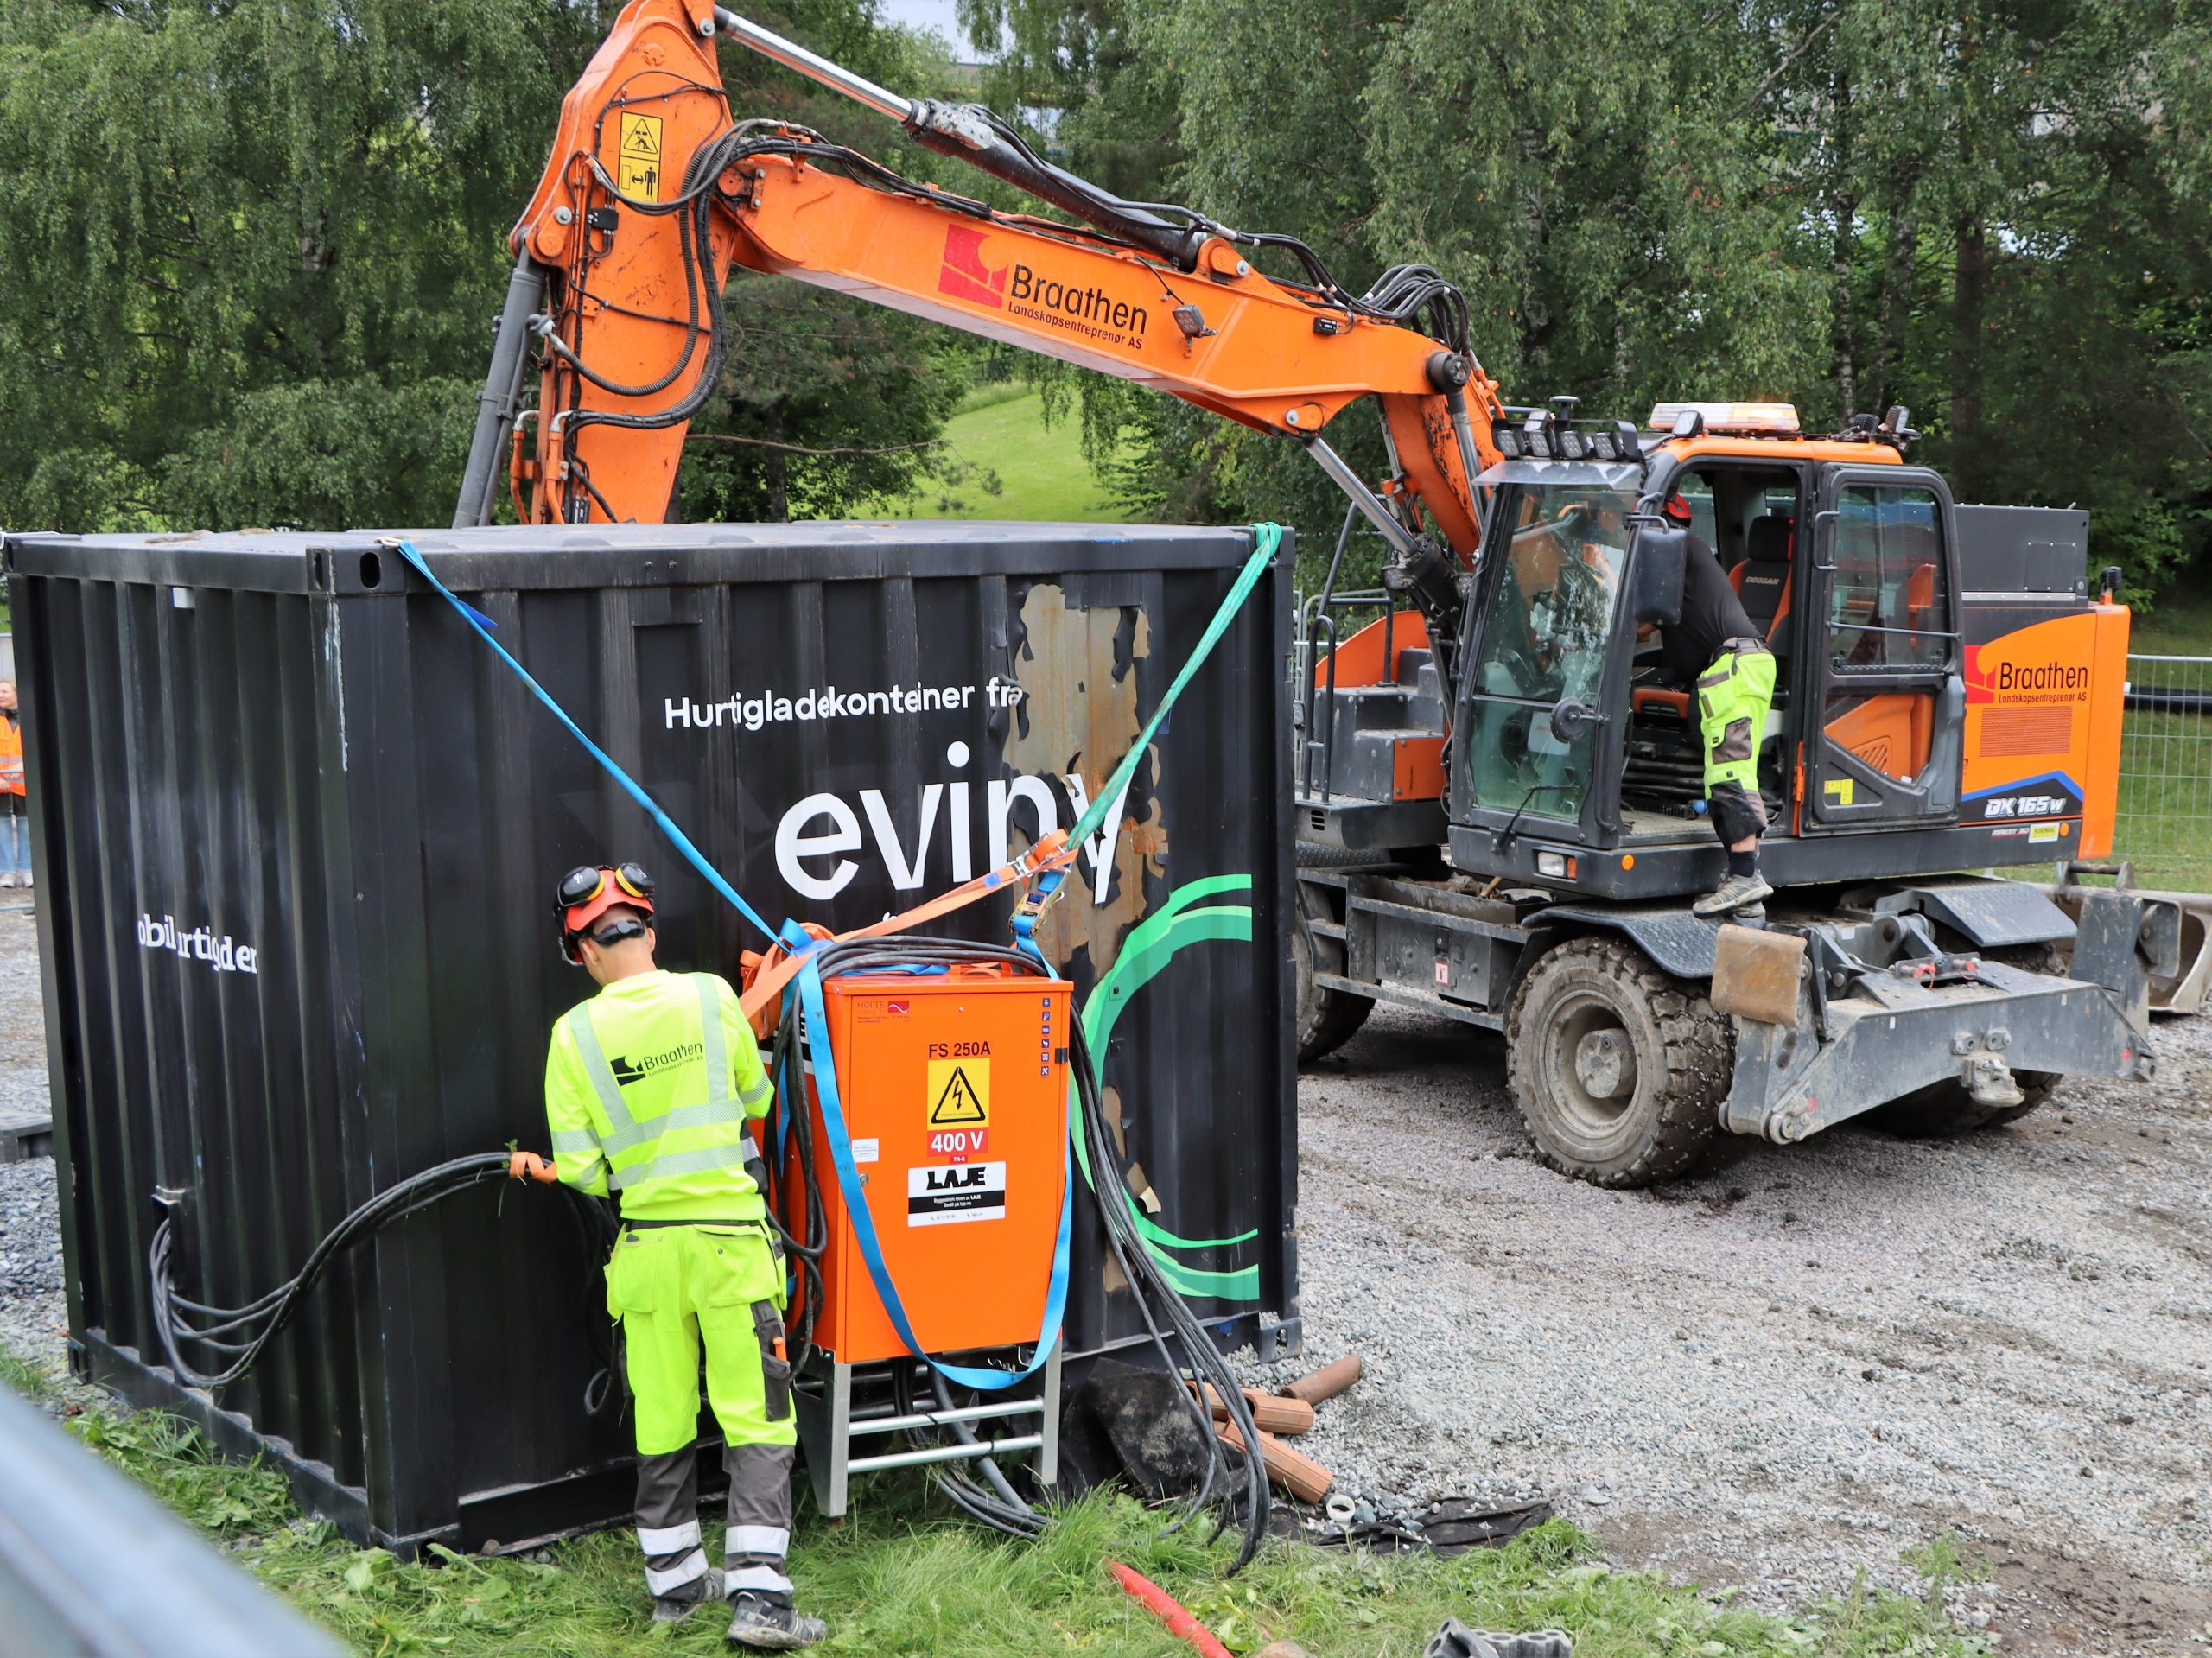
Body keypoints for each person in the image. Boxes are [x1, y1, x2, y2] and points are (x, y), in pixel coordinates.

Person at [511, 861, 825, 1649]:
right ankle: (761, 1600)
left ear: (581, 952)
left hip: (646, 1258)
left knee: (662, 1416)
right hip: (728, 1251)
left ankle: (676, 1585)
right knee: (756, 1417)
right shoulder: (711, 998)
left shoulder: (572, 1035)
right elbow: (758, 1099)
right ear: (649, 931)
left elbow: (582, 1172)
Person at [1648, 495, 1777, 916]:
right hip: (1729, 667)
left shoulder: (1679, 547)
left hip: (1734, 666)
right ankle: (1742, 880)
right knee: (1722, 765)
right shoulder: (1680, 565)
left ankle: (1745, 876)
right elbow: (1646, 621)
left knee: (1729, 767)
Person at [0, 681, 28, 891]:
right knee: (3, 830)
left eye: (4, 691)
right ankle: (7, 871)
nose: (0, 695)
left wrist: (23, 765)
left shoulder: (29, 717)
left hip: (25, 786)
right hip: (1, 785)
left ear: (17, 693)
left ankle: (27, 870)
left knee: (27, 829)